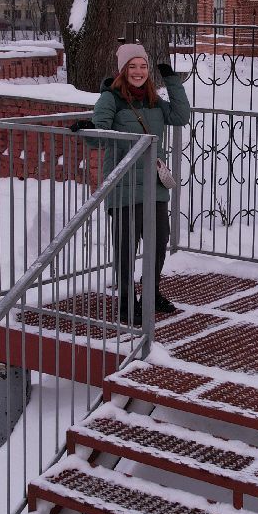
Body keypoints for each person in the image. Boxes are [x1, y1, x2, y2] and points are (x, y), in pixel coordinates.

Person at [87, 42, 191, 322]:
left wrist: (172, 80)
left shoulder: (153, 99)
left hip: (153, 186)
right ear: (122, 70)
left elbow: (181, 116)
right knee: (126, 247)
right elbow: (99, 133)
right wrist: (86, 129)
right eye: (132, 66)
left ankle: (151, 292)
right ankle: (125, 302)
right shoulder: (111, 99)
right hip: (123, 185)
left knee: (158, 242)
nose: (138, 71)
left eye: (143, 66)